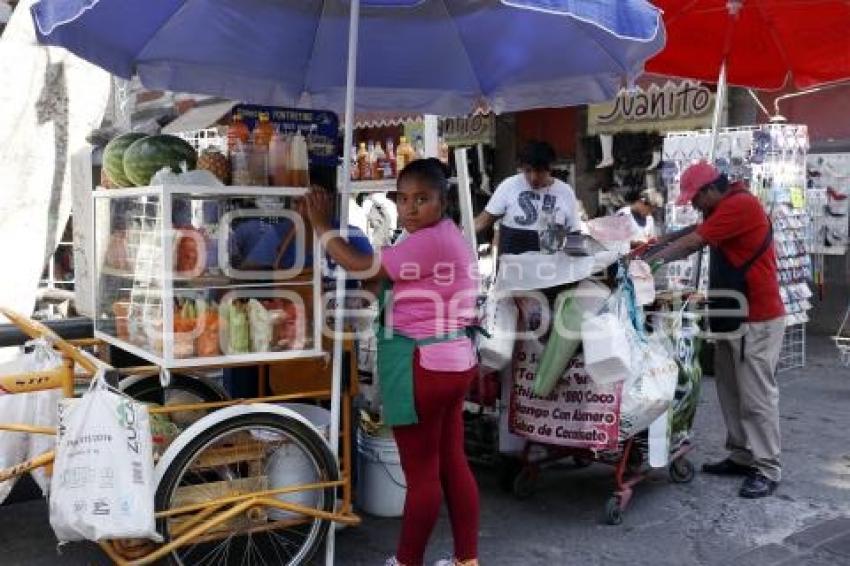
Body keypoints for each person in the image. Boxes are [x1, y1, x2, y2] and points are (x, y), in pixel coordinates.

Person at [303, 159, 480, 566]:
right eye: (403, 199)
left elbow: (360, 265)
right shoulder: (445, 235)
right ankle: (466, 560)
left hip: (424, 366)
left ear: (443, 201)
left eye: (422, 199)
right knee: (452, 464)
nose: (410, 208)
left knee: (422, 475)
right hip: (454, 361)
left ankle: (405, 561)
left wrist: (319, 223)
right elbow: (388, 276)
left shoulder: (430, 240)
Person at [640, 161, 785, 499]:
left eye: (694, 198)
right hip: (731, 313)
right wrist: (653, 244)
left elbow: (692, 243)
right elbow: (689, 233)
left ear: (710, 190)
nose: (692, 204)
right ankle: (741, 455)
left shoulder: (740, 205)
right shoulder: (721, 206)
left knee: (757, 396)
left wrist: (648, 263)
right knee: (732, 391)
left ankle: (767, 467)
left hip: (756, 317)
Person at [474, 140, 580, 255]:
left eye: (539, 171)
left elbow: (574, 234)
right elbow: (482, 222)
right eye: (528, 170)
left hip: (549, 267)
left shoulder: (565, 192)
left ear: (550, 167)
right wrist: (456, 238)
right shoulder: (509, 185)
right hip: (514, 266)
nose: (533, 177)